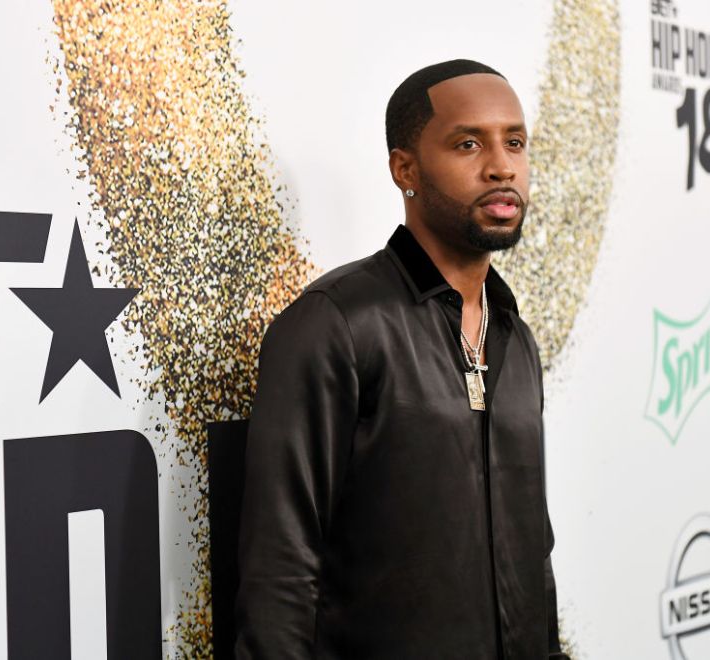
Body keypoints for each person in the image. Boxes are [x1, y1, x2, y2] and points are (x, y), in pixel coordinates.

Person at [235, 59, 568, 659]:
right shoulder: (336, 323)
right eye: (468, 143)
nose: (502, 166)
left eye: (514, 142)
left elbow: (531, 552)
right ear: (404, 168)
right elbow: (280, 569)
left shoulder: (515, 339)